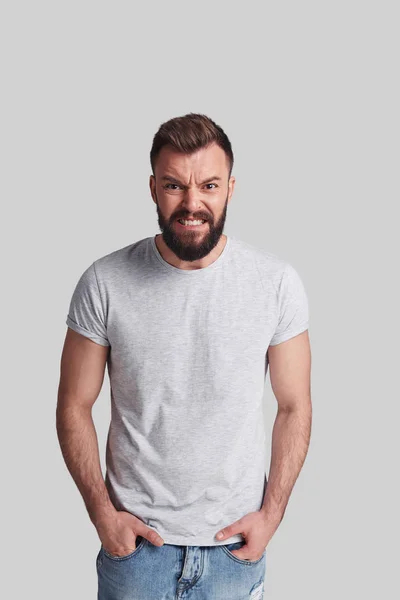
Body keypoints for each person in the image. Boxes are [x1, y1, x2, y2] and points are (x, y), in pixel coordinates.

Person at [56, 112, 312, 600]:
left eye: (209, 185)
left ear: (231, 189)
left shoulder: (276, 284)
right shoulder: (104, 282)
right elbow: (73, 405)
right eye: (175, 185)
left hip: (234, 550)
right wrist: (102, 515)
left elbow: (295, 405)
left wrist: (272, 515)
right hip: (137, 556)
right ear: (153, 188)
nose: (192, 203)